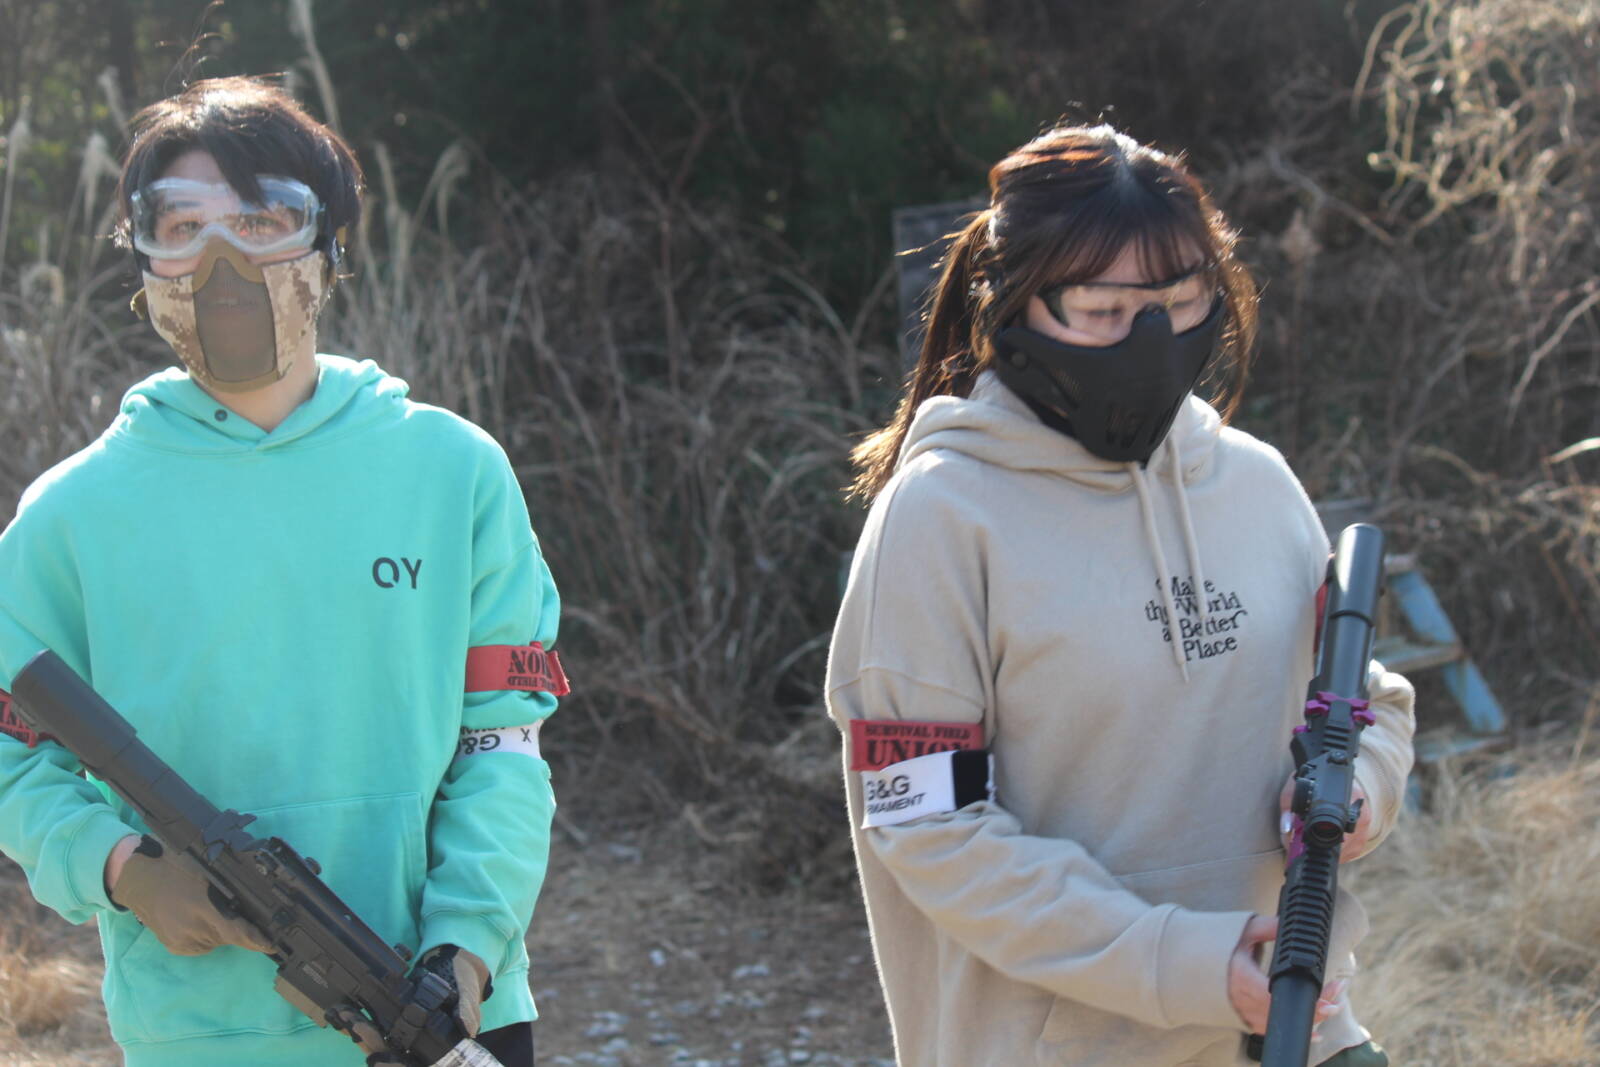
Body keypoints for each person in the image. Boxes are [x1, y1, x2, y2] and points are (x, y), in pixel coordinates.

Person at [0, 76, 564, 1066]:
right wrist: (124, 867)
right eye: (182, 226)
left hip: (453, 1016)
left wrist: (467, 947)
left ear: (330, 245)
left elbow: (502, 744)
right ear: (142, 259)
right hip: (199, 1034)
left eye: (263, 220)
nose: (222, 259)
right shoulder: (68, 518)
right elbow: (13, 758)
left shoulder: (452, 471)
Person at [825, 123, 1415, 1067]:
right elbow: (929, 827)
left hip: (1297, 1033)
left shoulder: (1256, 483)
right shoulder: (939, 520)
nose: (1150, 340)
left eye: (1181, 303)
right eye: (1102, 309)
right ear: (1012, 303)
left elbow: (1362, 700)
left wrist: (1361, 790)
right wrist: (1186, 962)